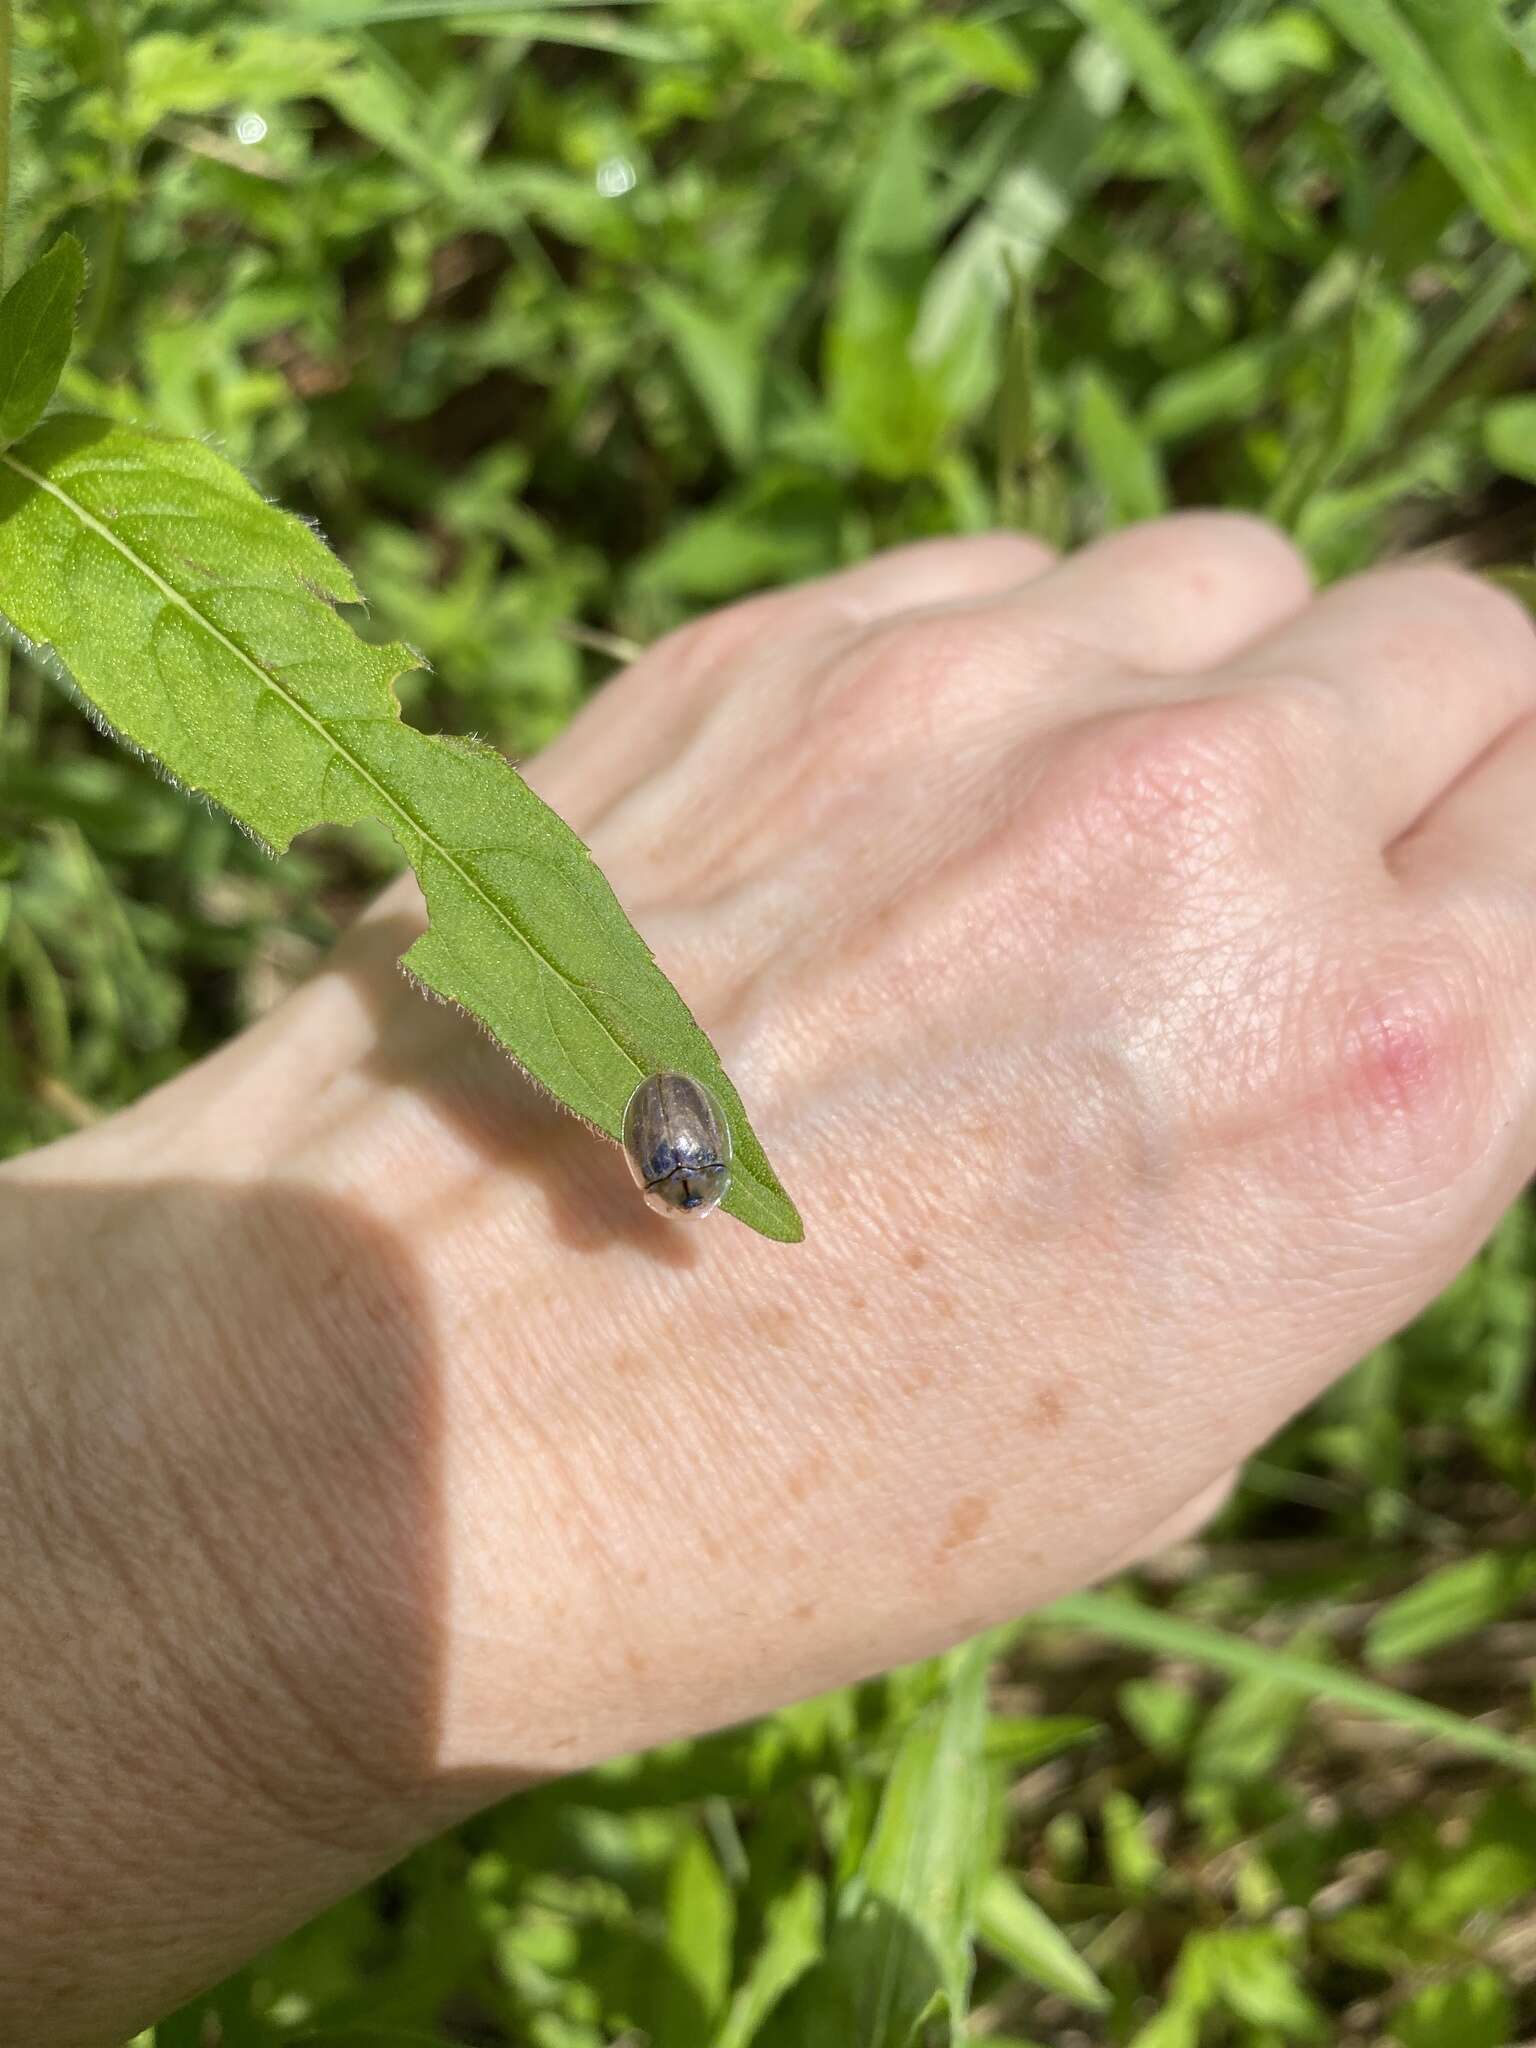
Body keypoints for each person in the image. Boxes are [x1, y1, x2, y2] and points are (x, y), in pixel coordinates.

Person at [4, 513, 1534, 2044]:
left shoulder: (673, 1146)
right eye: (681, 1177)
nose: (676, 1183)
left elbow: (670, 1121)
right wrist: (153, 1584)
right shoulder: (670, 1148)